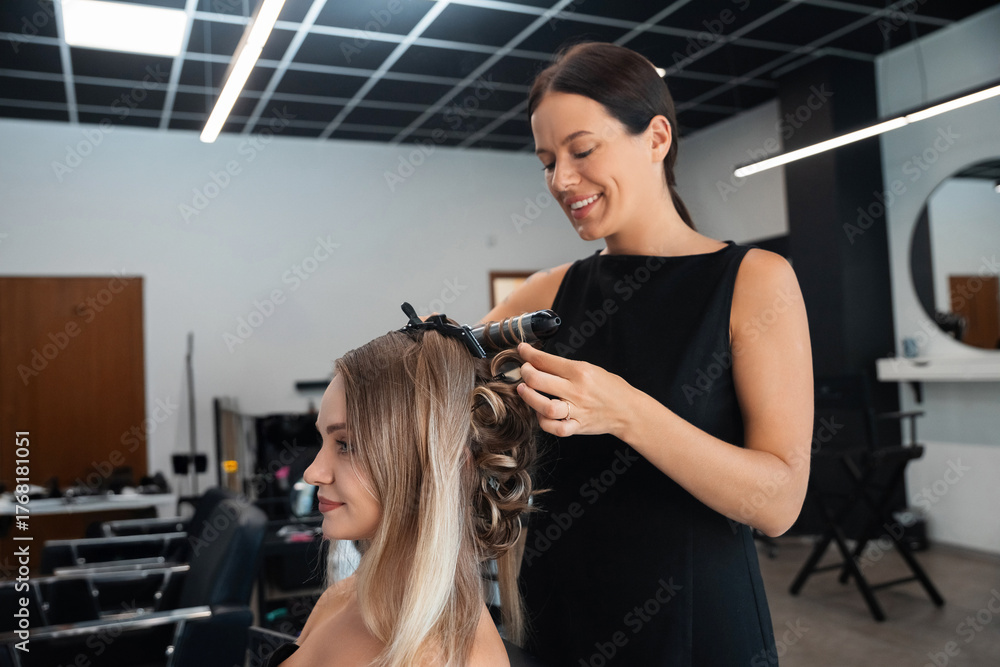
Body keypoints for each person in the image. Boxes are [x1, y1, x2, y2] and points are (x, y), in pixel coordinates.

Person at [479, 42, 814, 665]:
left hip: (695, 627)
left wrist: (627, 410)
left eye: (582, 151)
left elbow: (779, 504)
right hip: (559, 620)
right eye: (547, 161)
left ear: (656, 137)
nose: (561, 180)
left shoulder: (754, 281)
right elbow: (429, 381)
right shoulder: (545, 293)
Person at [271, 324, 539, 667]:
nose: (312, 473)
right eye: (323, 440)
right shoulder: (343, 598)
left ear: (432, 465)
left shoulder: (446, 659)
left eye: (346, 445)